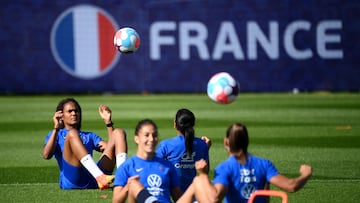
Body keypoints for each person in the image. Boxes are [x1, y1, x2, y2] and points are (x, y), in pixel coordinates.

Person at [177, 122, 312, 203]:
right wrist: (305, 174)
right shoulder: (264, 164)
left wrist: (203, 175)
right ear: (247, 142)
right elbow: (291, 186)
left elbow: (215, 198)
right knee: (265, 182)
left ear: (226, 142)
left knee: (198, 182)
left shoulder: (225, 168)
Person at [42, 98, 128, 190]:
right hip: (73, 180)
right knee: (72, 133)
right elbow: (46, 155)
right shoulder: (57, 134)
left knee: (119, 132)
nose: (74, 113)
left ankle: (122, 178)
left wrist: (108, 123)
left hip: (92, 179)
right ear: (61, 115)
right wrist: (56, 128)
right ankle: (101, 177)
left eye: (76, 111)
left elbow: (112, 147)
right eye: (70, 111)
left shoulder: (89, 135)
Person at [112, 119, 182, 203]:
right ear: (137, 139)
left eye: (154, 135)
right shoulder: (127, 166)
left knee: (197, 182)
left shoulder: (167, 165)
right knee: (134, 185)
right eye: (146, 135)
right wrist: (128, 187)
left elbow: (178, 198)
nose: (151, 139)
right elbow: (116, 201)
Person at [156, 108, 211, 192]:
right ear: (193, 124)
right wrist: (206, 148)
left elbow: (155, 167)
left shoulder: (166, 145)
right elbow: (205, 171)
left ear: (175, 124)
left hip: (171, 192)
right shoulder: (201, 144)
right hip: (192, 192)